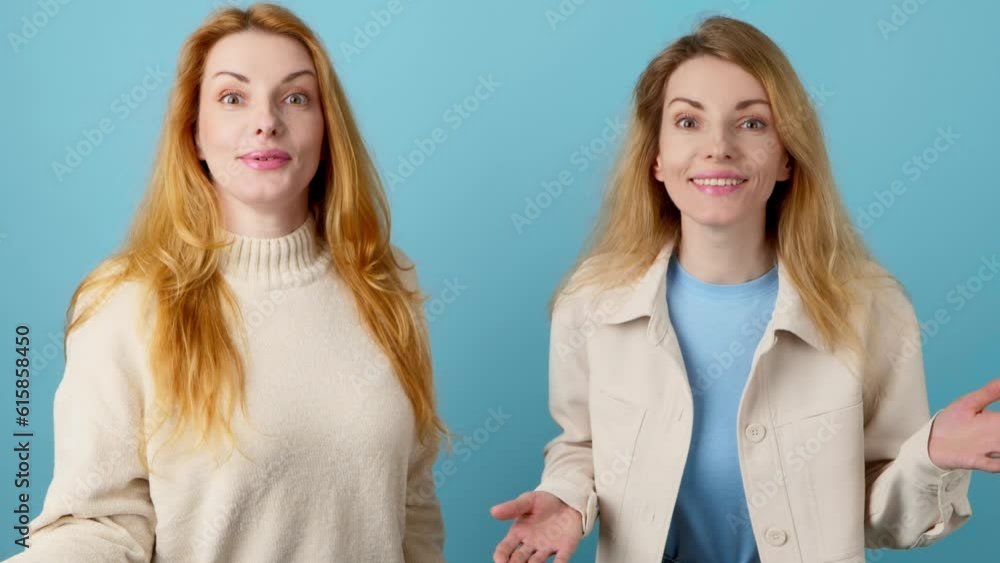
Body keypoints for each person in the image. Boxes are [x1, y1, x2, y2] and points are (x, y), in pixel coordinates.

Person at [491, 16, 998, 563]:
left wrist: (930, 458)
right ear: (655, 157)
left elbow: (887, 522)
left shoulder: (871, 306)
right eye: (688, 121)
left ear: (787, 157)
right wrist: (566, 497)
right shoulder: (592, 300)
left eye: (752, 123)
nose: (719, 147)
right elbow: (583, 445)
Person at [7, 4, 445, 562]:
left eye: (295, 97)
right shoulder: (124, 301)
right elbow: (98, 525)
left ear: (327, 128)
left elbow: (412, 505)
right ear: (193, 133)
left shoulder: (386, 283)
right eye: (233, 98)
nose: (266, 122)